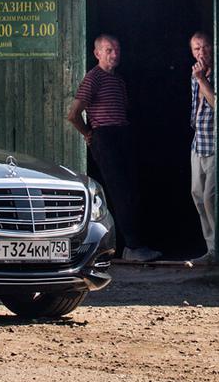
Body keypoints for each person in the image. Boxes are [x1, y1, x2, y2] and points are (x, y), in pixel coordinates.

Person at [67, 34, 161, 263]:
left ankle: (130, 245)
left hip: (122, 136)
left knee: (130, 191)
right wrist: (90, 134)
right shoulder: (94, 78)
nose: (114, 54)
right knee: (121, 193)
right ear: (97, 53)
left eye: (117, 49)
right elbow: (73, 114)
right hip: (106, 137)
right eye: (108, 50)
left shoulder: (118, 81)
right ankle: (132, 247)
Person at [188, 31, 217, 264]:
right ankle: (210, 249)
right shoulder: (195, 75)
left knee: (210, 197)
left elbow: (216, 104)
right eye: (197, 49)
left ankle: (218, 249)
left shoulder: (216, 73)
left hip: (215, 143)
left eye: (205, 47)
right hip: (198, 142)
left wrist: (202, 80)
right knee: (197, 195)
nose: (201, 53)